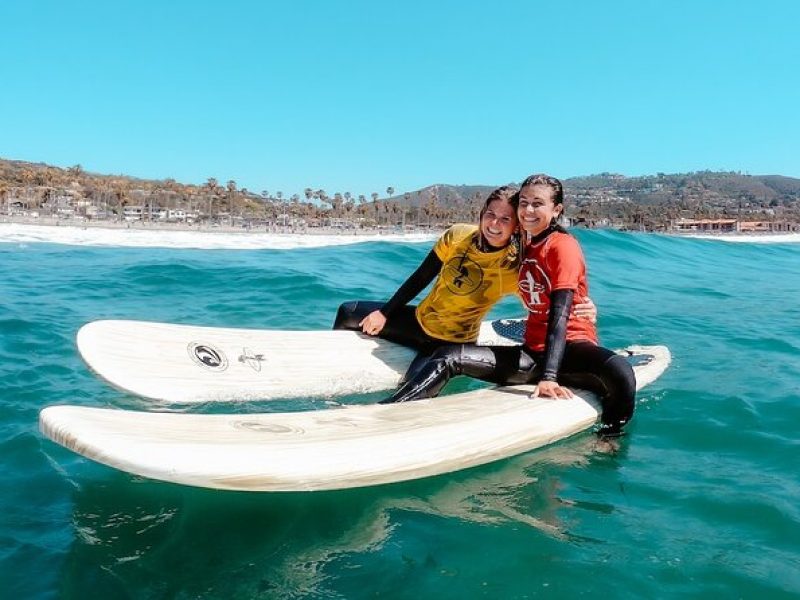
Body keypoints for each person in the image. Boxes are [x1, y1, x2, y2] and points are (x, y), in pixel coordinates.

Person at [380, 174, 636, 437]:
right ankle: (389, 413)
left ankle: (610, 439)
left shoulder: (563, 247)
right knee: (448, 356)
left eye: (538, 203)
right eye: (523, 203)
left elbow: (559, 315)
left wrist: (549, 376)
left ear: (556, 210)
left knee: (620, 370)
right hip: (532, 353)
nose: (528, 210)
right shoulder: (527, 244)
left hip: (570, 352)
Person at [333, 186, 597, 381]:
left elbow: (544, 302)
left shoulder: (513, 267)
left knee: (412, 386)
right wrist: (384, 313)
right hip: (420, 322)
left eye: (506, 219)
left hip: (450, 342)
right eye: (490, 214)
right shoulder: (458, 235)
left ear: (516, 228)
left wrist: (582, 309)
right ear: (481, 214)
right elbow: (421, 277)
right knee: (348, 311)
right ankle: (331, 361)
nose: (494, 224)